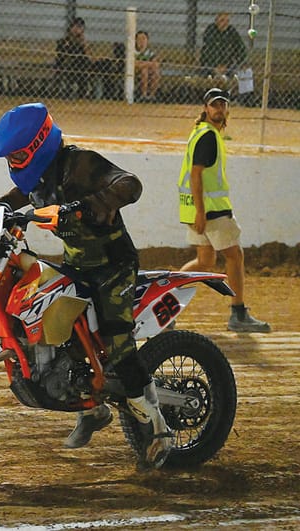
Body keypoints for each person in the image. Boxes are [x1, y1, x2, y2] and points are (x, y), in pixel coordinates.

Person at [0, 102, 174, 470]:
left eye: (20, 153)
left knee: (117, 345)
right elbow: (16, 199)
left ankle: (160, 429)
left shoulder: (80, 164)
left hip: (113, 267)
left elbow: (130, 184)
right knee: (56, 330)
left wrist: (92, 204)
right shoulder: (36, 180)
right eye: (12, 156)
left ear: (40, 144)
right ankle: (90, 406)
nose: (16, 161)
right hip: (77, 265)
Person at [178, 88, 271, 333]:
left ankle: (163, 305)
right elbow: (196, 175)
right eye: (214, 105)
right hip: (210, 212)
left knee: (205, 260)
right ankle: (238, 313)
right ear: (206, 109)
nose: (219, 109)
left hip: (197, 211)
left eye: (222, 104)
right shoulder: (208, 136)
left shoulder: (199, 132)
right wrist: (201, 212)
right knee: (235, 255)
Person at [54, 17, 93, 99]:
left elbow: (90, 57)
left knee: (85, 66)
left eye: (80, 27)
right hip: (67, 66)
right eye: (75, 26)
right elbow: (60, 56)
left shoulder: (83, 42)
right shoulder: (64, 41)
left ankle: (83, 92)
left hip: (81, 67)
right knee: (70, 64)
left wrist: (84, 44)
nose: (77, 29)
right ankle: (68, 90)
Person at [200, 12, 246, 78]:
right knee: (204, 70)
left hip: (228, 65)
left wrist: (227, 65)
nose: (225, 23)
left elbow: (241, 48)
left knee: (239, 71)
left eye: (227, 21)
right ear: (216, 21)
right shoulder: (211, 30)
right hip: (211, 64)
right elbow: (208, 51)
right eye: (222, 20)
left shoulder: (231, 31)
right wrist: (215, 67)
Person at [134, 30, 161, 101]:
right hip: (136, 72)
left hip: (149, 71)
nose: (141, 41)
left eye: (143, 38)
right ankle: (143, 95)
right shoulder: (133, 52)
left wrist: (142, 63)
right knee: (144, 71)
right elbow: (134, 65)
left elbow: (156, 64)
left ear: (147, 40)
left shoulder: (150, 53)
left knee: (156, 73)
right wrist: (148, 63)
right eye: (139, 39)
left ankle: (152, 95)